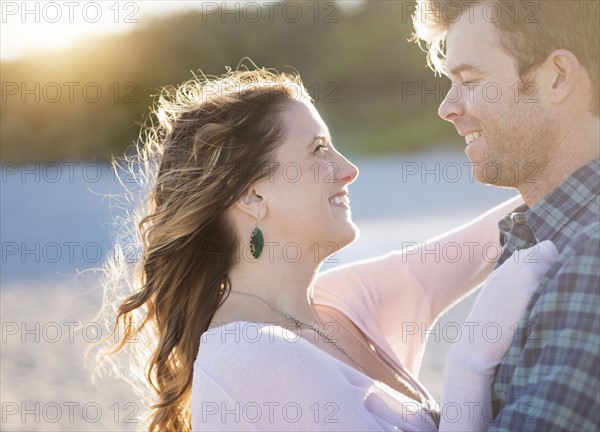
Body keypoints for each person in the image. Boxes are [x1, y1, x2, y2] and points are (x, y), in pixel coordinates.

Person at [92, 68, 558, 431]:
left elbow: (500, 231)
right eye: (318, 150)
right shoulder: (248, 357)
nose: (348, 169)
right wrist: (471, 358)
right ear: (251, 196)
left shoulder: (340, 302)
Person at [412, 0, 600, 430]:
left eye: (470, 81)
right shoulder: (543, 236)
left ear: (557, 77)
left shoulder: (591, 256)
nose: (448, 108)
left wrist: (464, 365)